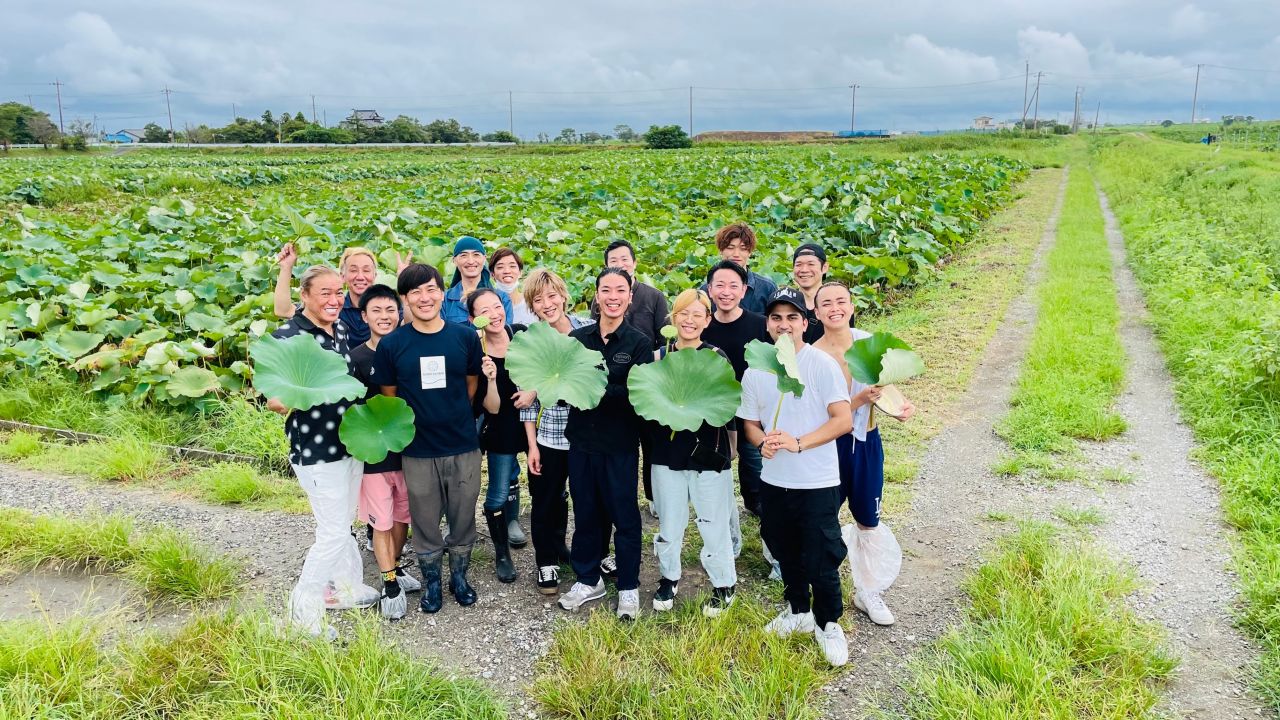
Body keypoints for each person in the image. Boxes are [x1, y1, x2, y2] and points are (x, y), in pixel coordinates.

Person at [737, 287, 853, 666]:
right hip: (774, 479)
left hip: (817, 480)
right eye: (775, 318)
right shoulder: (757, 370)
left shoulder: (821, 365)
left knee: (820, 554)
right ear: (767, 325)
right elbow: (750, 425)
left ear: (805, 323)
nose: (783, 325)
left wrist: (799, 443)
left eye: (791, 318)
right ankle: (798, 611)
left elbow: (843, 419)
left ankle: (828, 623)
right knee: (783, 547)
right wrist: (763, 444)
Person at [265, 265, 379, 638]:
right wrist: (300, 393)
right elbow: (274, 400)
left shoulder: (340, 327)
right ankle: (303, 614)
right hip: (315, 449)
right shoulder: (290, 336)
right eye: (325, 293)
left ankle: (344, 588)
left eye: (338, 292)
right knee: (331, 531)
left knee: (343, 522)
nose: (334, 300)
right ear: (305, 296)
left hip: (349, 440)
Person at [374, 263, 484, 613]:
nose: (424, 297)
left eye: (431, 289)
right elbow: (390, 398)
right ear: (404, 298)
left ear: (442, 292)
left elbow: (471, 387)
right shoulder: (392, 346)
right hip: (417, 450)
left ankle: (460, 578)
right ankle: (432, 583)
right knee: (423, 520)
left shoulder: (464, 337)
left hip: (463, 444)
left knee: (464, 516)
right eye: (415, 292)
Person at [812, 282, 915, 627]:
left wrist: (897, 406)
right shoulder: (813, 355)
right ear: (816, 312)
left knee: (867, 518)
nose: (835, 308)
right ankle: (820, 585)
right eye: (826, 303)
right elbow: (821, 412)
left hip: (866, 442)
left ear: (851, 305)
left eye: (841, 301)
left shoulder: (867, 341)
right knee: (823, 516)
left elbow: (882, 387)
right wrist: (858, 400)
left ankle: (868, 591)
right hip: (830, 446)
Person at [558, 267, 653, 620]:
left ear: (630, 296)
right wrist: (598, 389)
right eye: (606, 290)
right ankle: (588, 577)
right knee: (585, 511)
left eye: (620, 290)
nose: (613, 297)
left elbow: (636, 395)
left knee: (624, 515)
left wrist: (595, 388)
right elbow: (566, 388)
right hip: (582, 441)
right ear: (596, 296)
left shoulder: (640, 343)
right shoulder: (579, 340)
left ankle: (628, 585)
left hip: (620, 444)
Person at [646, 289, 738, 617]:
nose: (689, 320)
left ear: (707, 321)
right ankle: (669, 577)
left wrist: (733, 445)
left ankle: (724, 583)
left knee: (713, 521)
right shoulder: (658, 357)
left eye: (698, 314)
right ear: (673, 317)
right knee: (670, 523)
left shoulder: (716, 356)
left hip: (707, 451)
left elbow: (727, 407)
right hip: (666, 452)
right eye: (683, 313)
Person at [519, 269, 598, 595]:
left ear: (564, 296)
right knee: (545, 500)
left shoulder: (587, 330)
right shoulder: (533, 338)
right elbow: (525, 401)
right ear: (532, 306)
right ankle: (546, 561)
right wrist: (532, 446)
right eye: (539, 300)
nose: (548, 304)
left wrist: (539, 388)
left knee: (581, 500)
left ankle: (570, 551)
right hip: (549, 435)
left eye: (552, 296)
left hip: (584, 435)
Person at [346, 284, 422, 620]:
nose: (384, 316)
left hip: (408, 448)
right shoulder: (356, 358)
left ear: (400, 312)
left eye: (390, 310)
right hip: (373, 453)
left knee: (403, 516)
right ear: (364, 316)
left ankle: (395, 565)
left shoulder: (407, 349)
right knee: (381, 520)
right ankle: (388, 581)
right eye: (375, 311)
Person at [701, 260, 770, 519]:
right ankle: (718, 517)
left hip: (753, 411)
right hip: (715, 413)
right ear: (710, 290)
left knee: (754, 462)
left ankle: (757, 505)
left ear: (744, 291)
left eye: (733, 286)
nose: (726, 292)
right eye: (720, 285)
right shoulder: (702, 326)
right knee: (716, 470)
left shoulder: (761, 325)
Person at [470, 287, 527, 584]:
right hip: (501, 426)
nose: (493, 314)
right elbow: (490, 407)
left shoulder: (521, 334)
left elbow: (542, 372)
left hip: (533, 423)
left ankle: (548, 543)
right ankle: (502, 552)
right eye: (484, 311)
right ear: (473, 319)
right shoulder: (478, 354)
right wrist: (490, 379)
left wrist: (533, 392)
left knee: (550, 486)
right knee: (497, 494)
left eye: (497, 306)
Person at [273, 245, 396, 347]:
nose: (360, 276)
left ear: (375, 275)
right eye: (353, 270)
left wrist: (406, 285)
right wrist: (286, 268)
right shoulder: (334, 306)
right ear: (342, 276)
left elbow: (409, 324)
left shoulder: (387, 309)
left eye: (366, 270)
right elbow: (283, 310)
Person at [592, 239, 668, 346]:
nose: (620, 265)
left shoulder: (655, 297)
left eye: (624, 259)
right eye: (613, 261)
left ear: (635, 263)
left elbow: (664, 341)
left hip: (645, 359)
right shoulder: (601, 297)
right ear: (606, 266)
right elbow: (593, 333)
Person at [705, 222, 777, 314]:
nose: (736, 254)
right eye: (730, 248)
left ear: (750, 252)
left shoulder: (767, 288)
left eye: (743, 248)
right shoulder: (706, 290)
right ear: (721, 250)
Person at [441, 236, 513, 325]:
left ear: (484, 259)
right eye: (464, 255)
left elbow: (505, 333)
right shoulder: (444, 300)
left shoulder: (502, 298)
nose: (471, 261)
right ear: (454, 261)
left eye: (476, 255)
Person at [791, 243, 829, 345]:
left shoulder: (837, 305)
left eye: (811, 264)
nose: (804, 270)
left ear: (824, 267)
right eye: (798, 265)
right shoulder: (786, 303)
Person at [490, 247, 538, 326]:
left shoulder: (533, 303)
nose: (507, 271)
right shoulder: (487, 307)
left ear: (520, 273)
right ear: (492, 275)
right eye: (500, 267)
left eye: (512, 266)